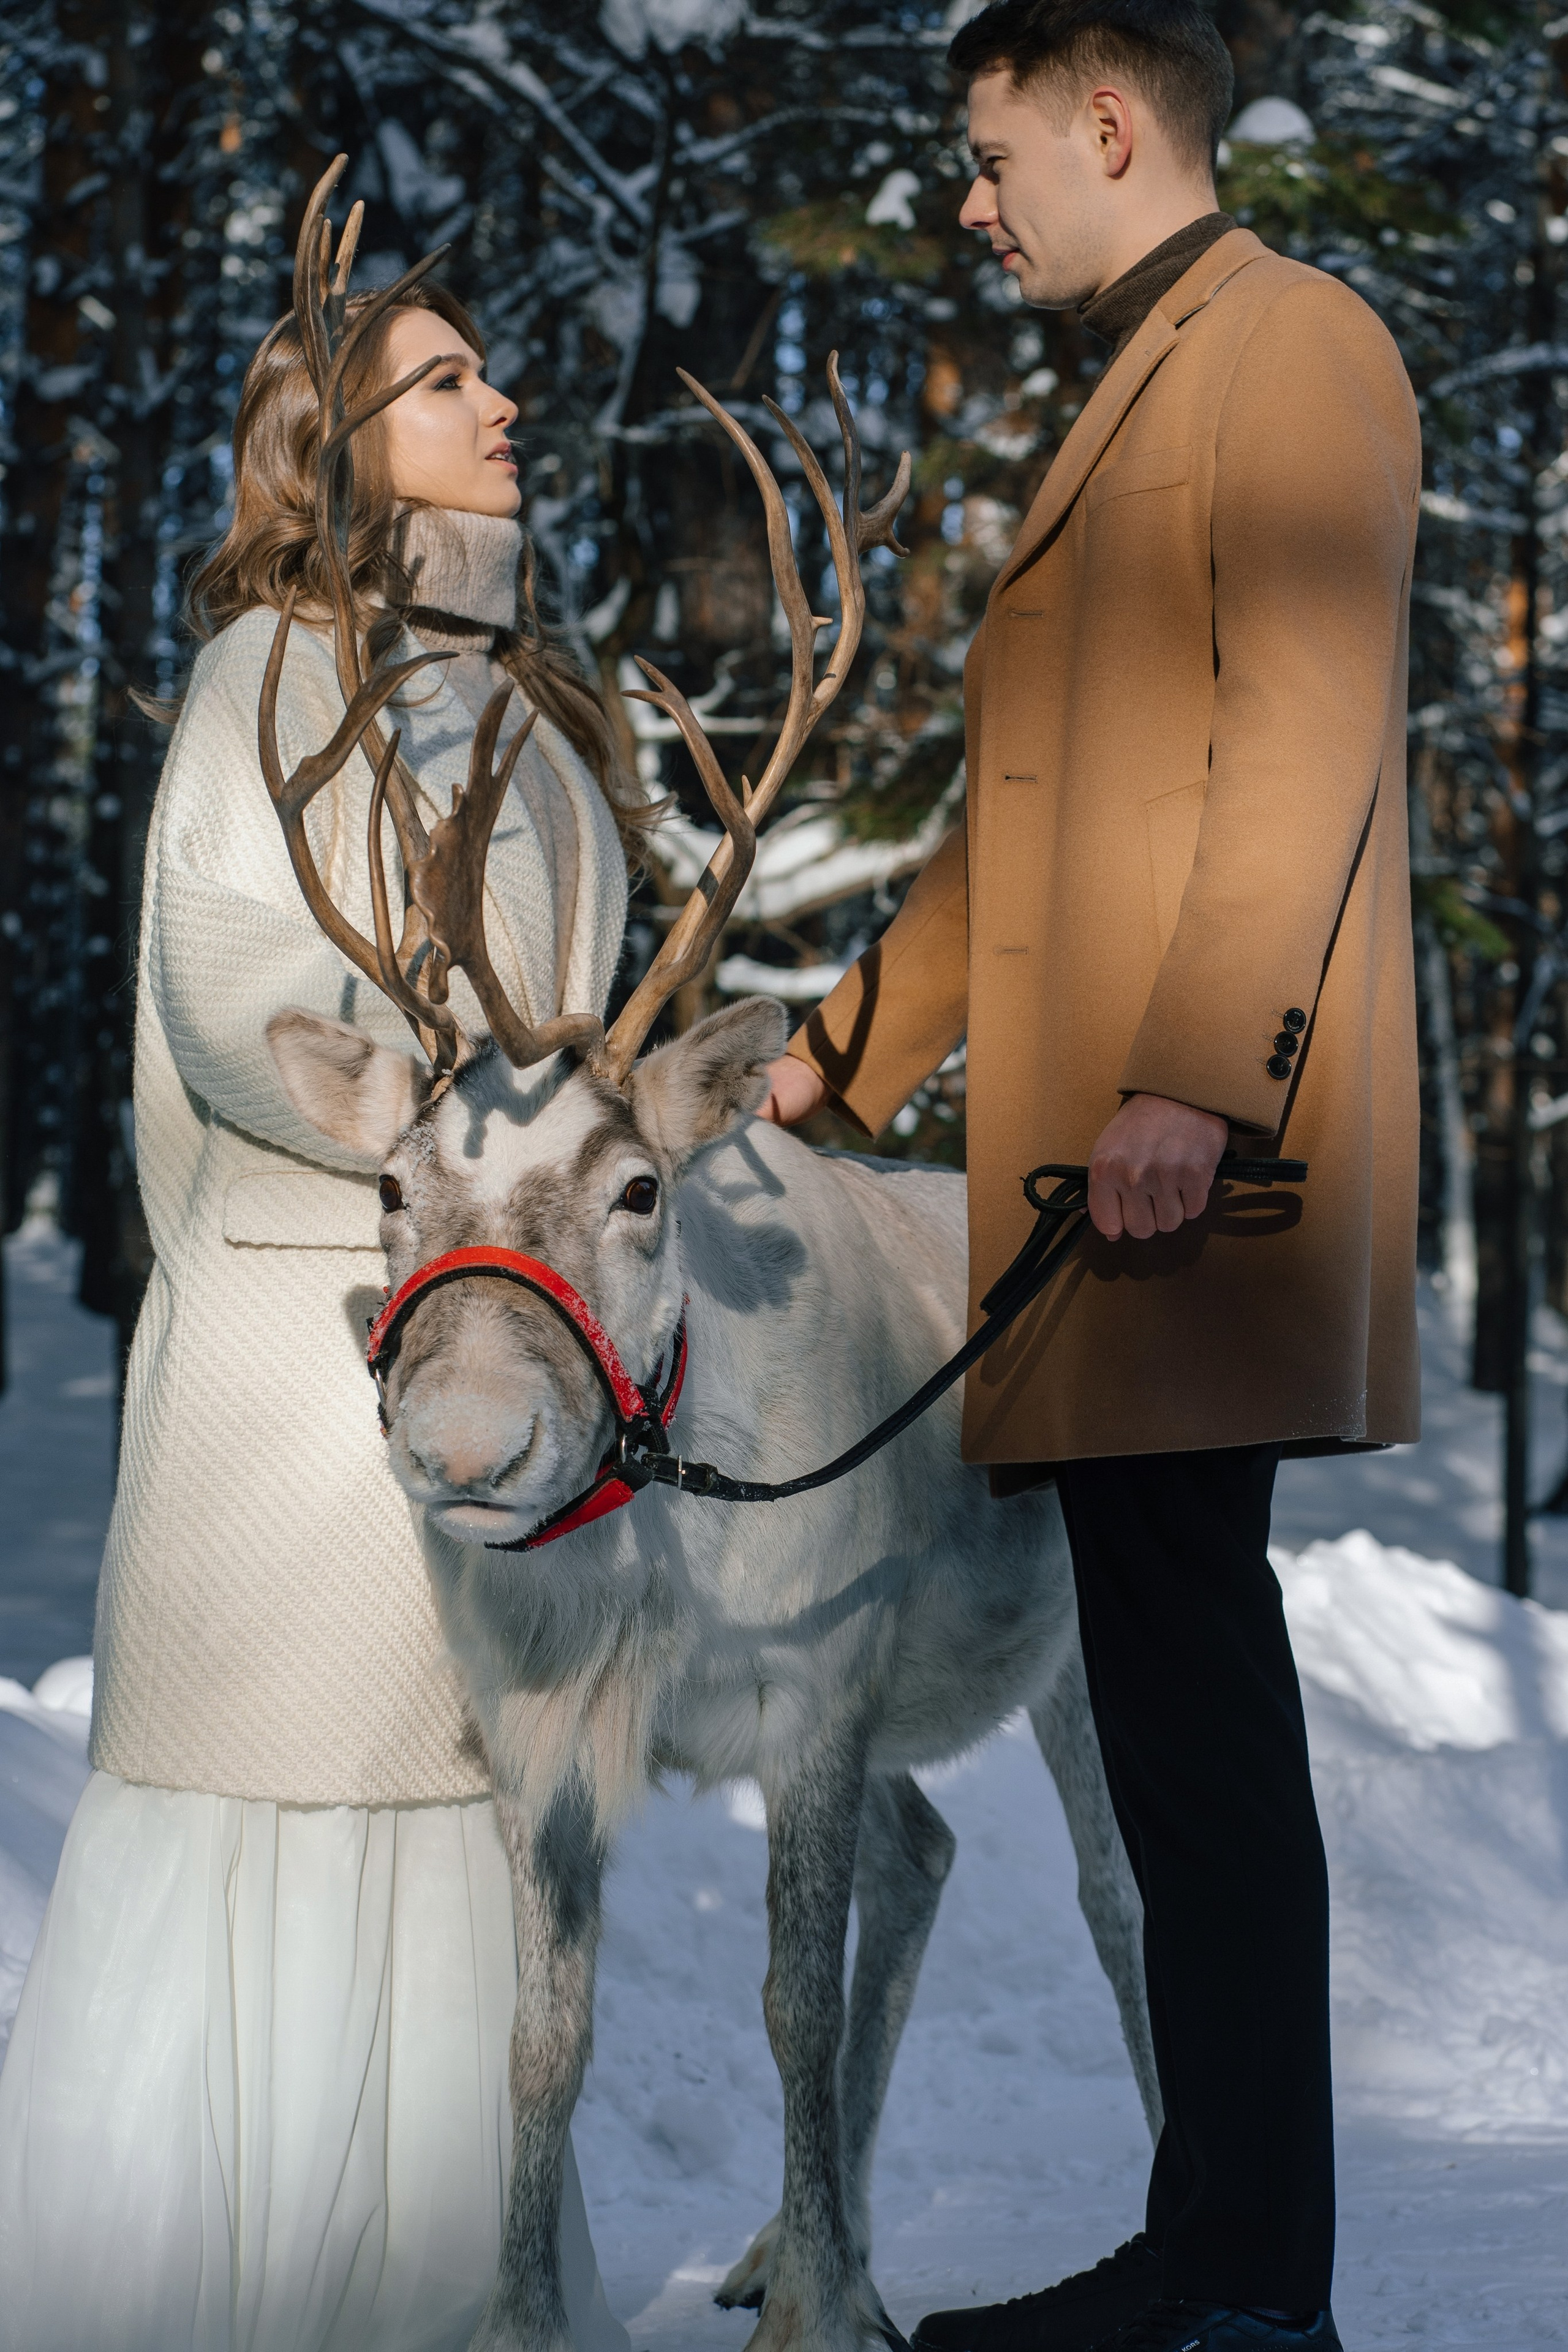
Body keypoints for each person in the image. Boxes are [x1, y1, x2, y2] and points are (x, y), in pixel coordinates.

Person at [762, 6, 1420, 2350]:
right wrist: (834, 1070)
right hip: (1109, 1182)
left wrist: (1191, 1087)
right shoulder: (1134, 386)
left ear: (1108, 121)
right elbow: (1013, 834)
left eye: (987, 151)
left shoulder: (1295, 344)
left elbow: (1310, 734)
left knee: (1205, 1740)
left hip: (1182, 1168)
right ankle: (1224, 2258)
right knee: (1167, 1723)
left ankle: (1244, 2289)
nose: (970, 198)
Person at [0, 274, 641, 2352]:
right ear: (337, 441)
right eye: (444, 381)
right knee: (281, 1819)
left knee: (460, 1829)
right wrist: (468, 1104)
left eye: (491, 371)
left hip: (507, 1374)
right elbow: (231, 999)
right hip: (305, 1374)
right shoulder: (270, 679)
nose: (502, 400)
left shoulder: (536, 708)